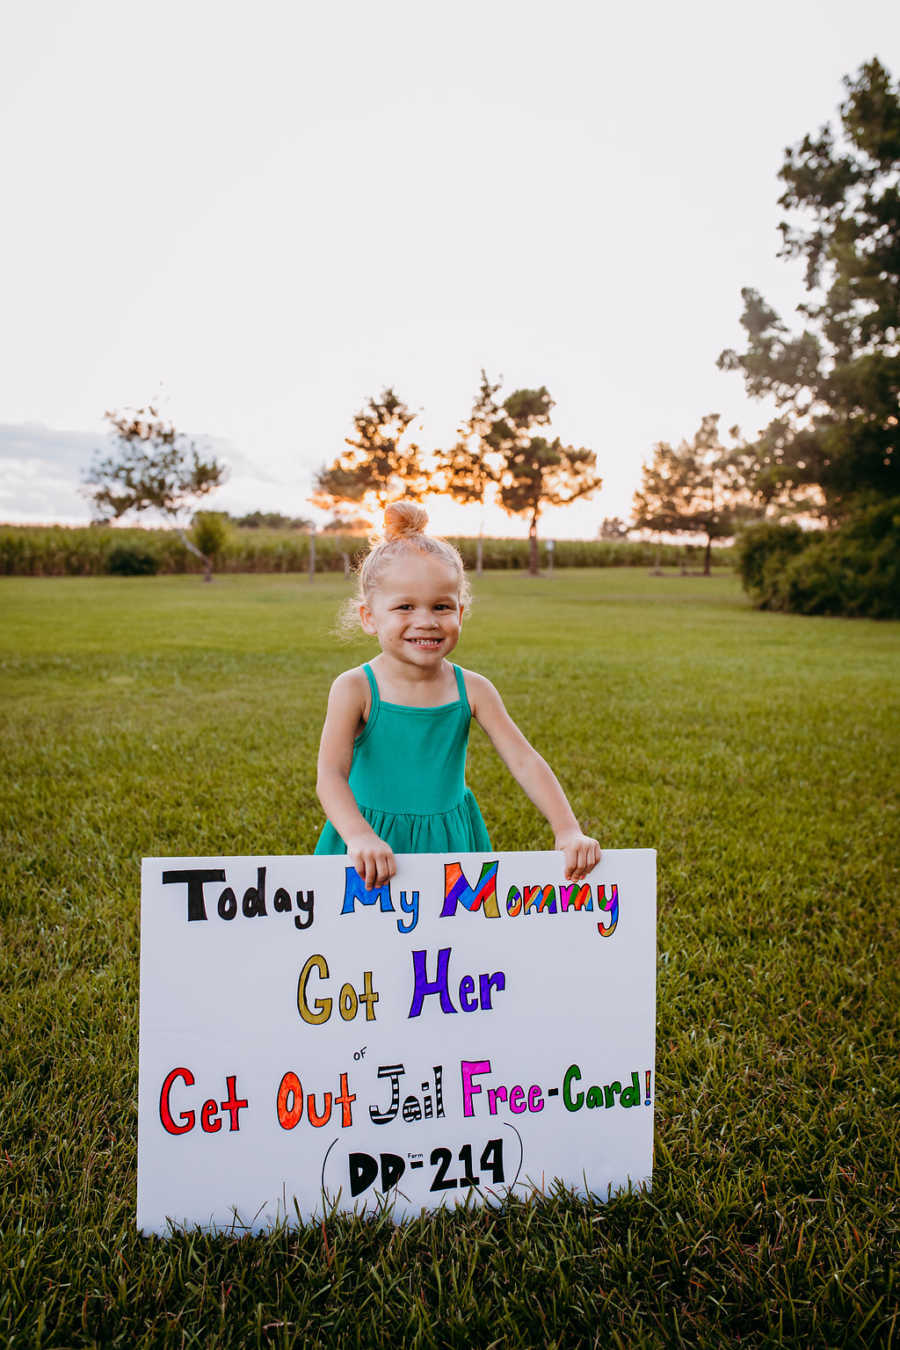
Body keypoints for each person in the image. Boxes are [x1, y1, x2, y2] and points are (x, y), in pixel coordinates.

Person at [314, 501, 601, 888]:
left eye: (441, 606)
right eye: (404, 606)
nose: (426, 621)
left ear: (460, 614)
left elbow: (523, 760)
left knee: (451, 941)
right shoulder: (355, 687)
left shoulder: (474, 689)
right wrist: (359, 835)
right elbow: (330, 775)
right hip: (368, 838)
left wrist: (567, 829)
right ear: (369, 617)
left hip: (449, 839)